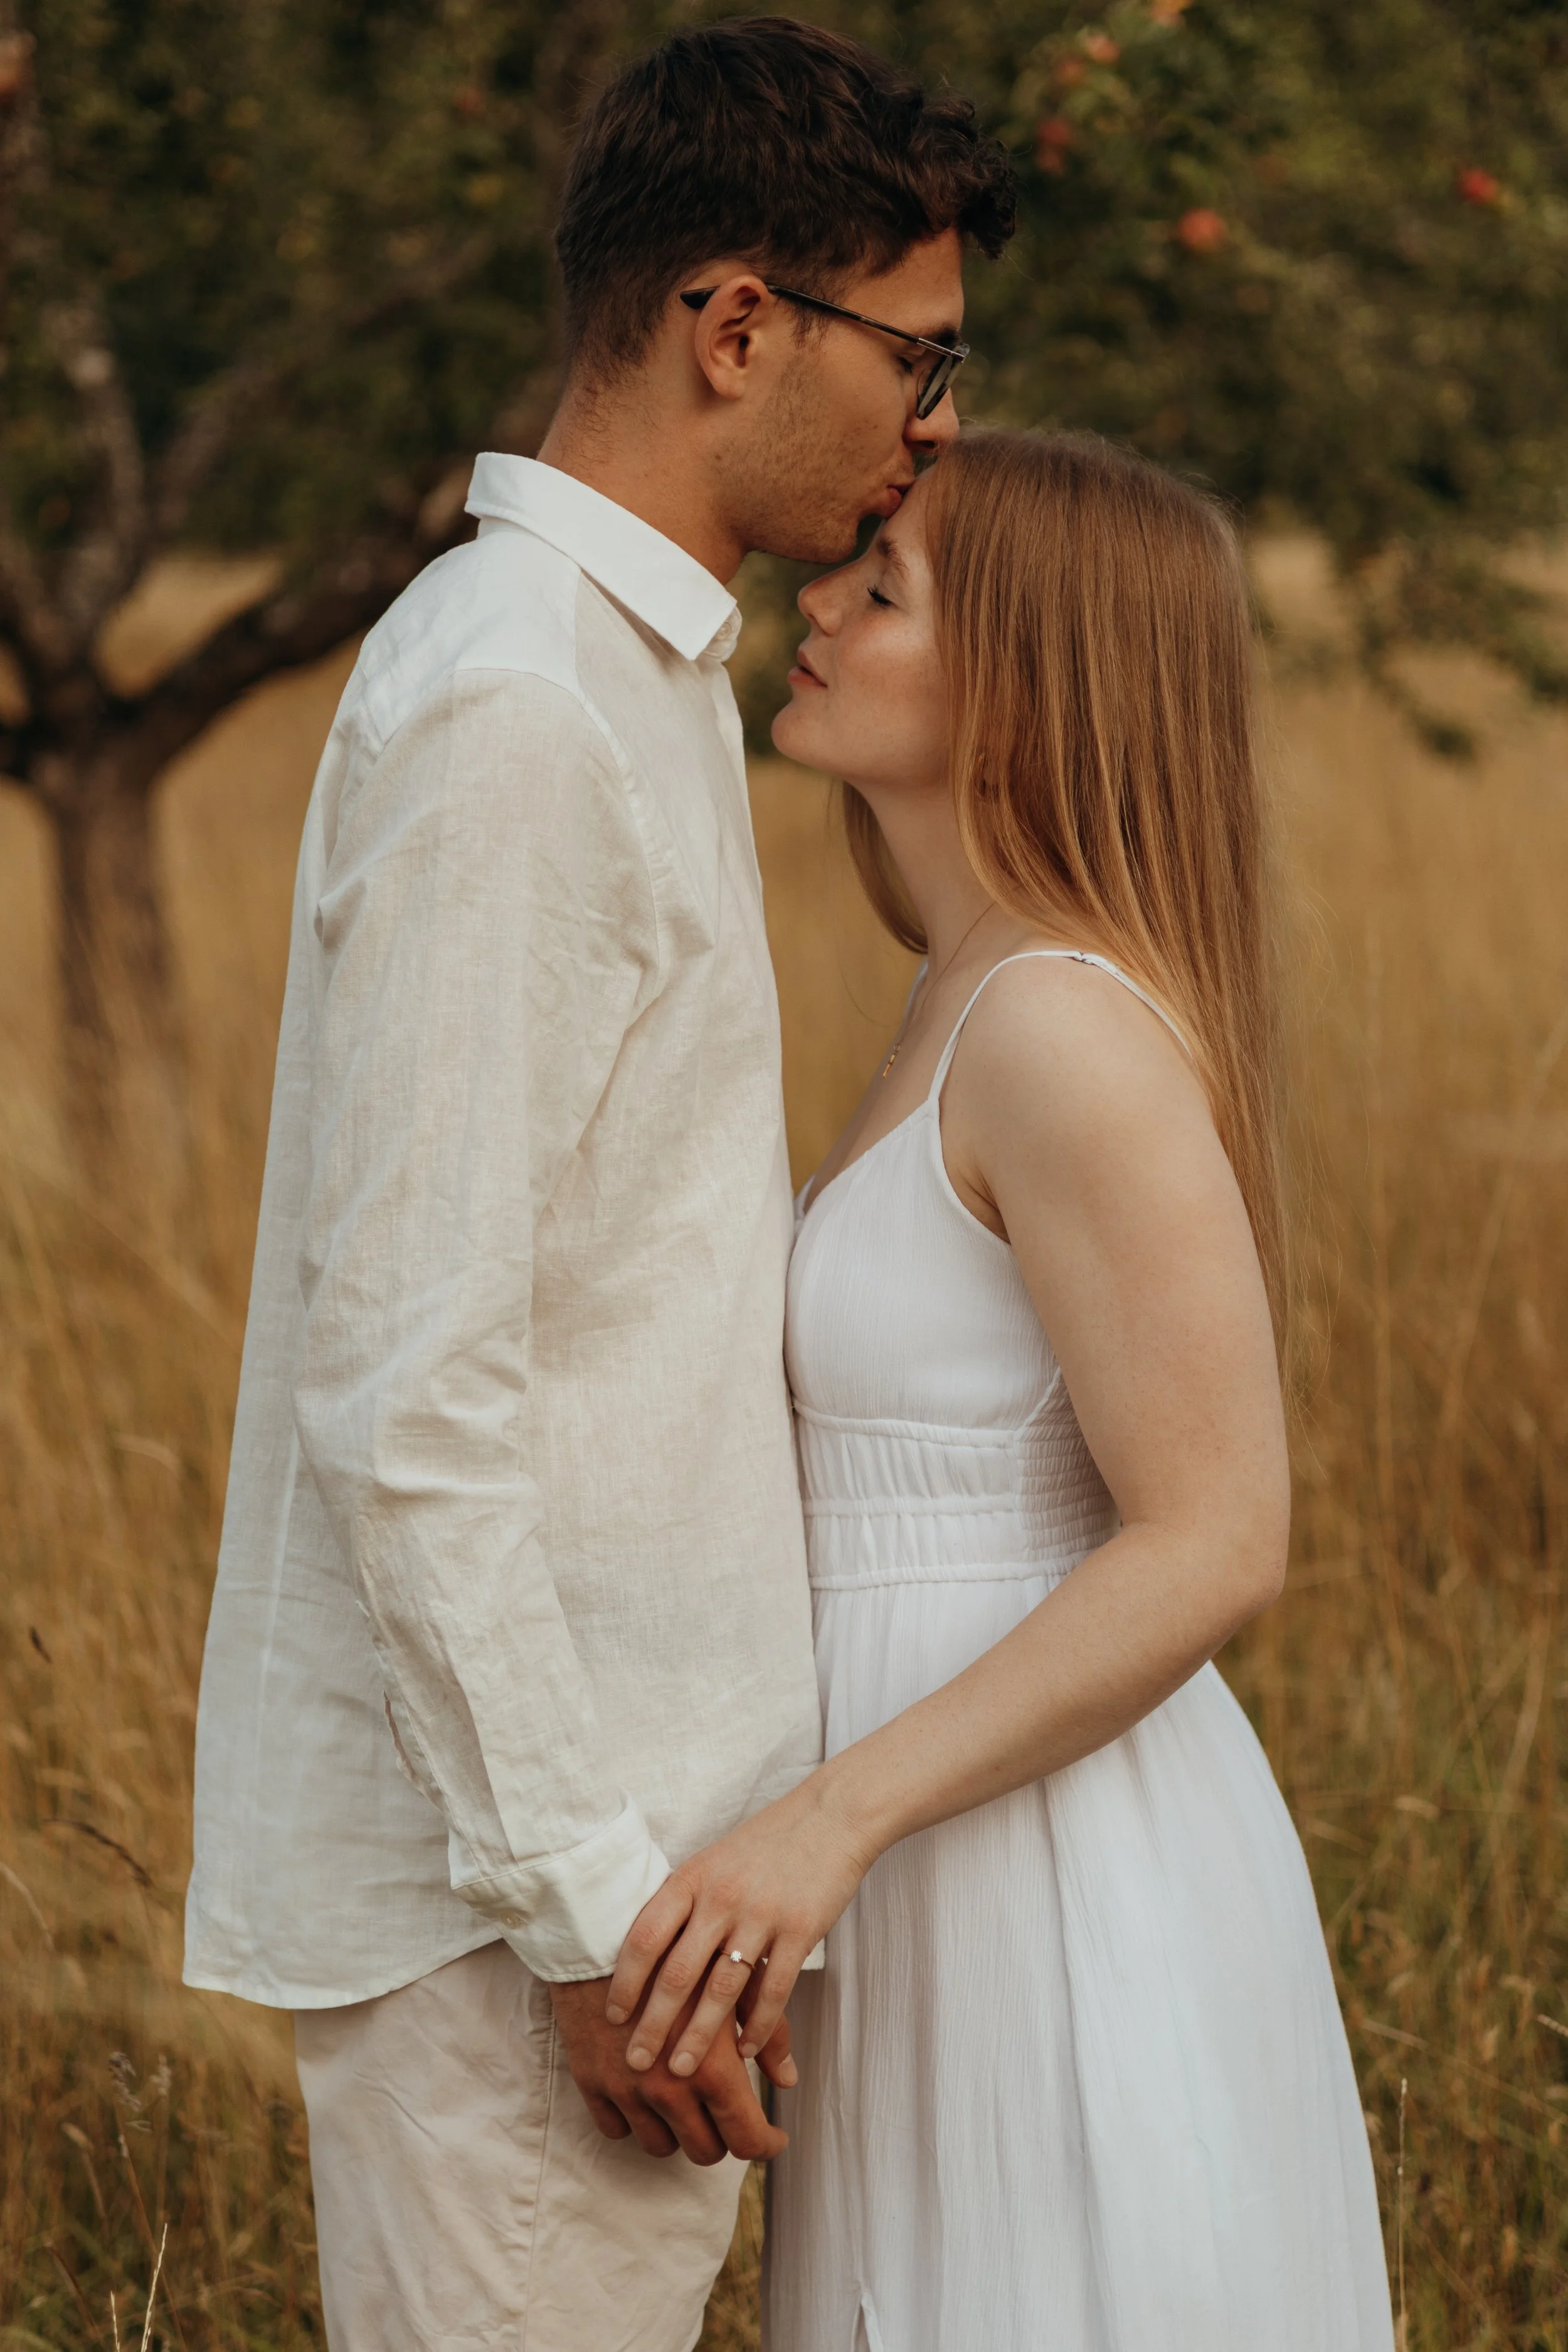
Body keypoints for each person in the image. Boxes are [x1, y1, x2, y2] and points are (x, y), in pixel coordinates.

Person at [182, 20, 1015, 2350]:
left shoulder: (625, 672)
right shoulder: (519, 704)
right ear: (733, 322)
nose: (935, 418)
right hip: (538, 1921)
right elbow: (407, 1395)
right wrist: (584, 1920)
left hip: (630, 1893)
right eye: (916, 353)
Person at [607, 430, 1397, 2350]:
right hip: (917, 1850)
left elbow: (1214, 1537)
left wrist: (826, 1825)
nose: (819, 606)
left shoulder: (1057, 1025)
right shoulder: (958, 993)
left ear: (1019, 688)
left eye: (881, 595)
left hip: (1046, 1867)